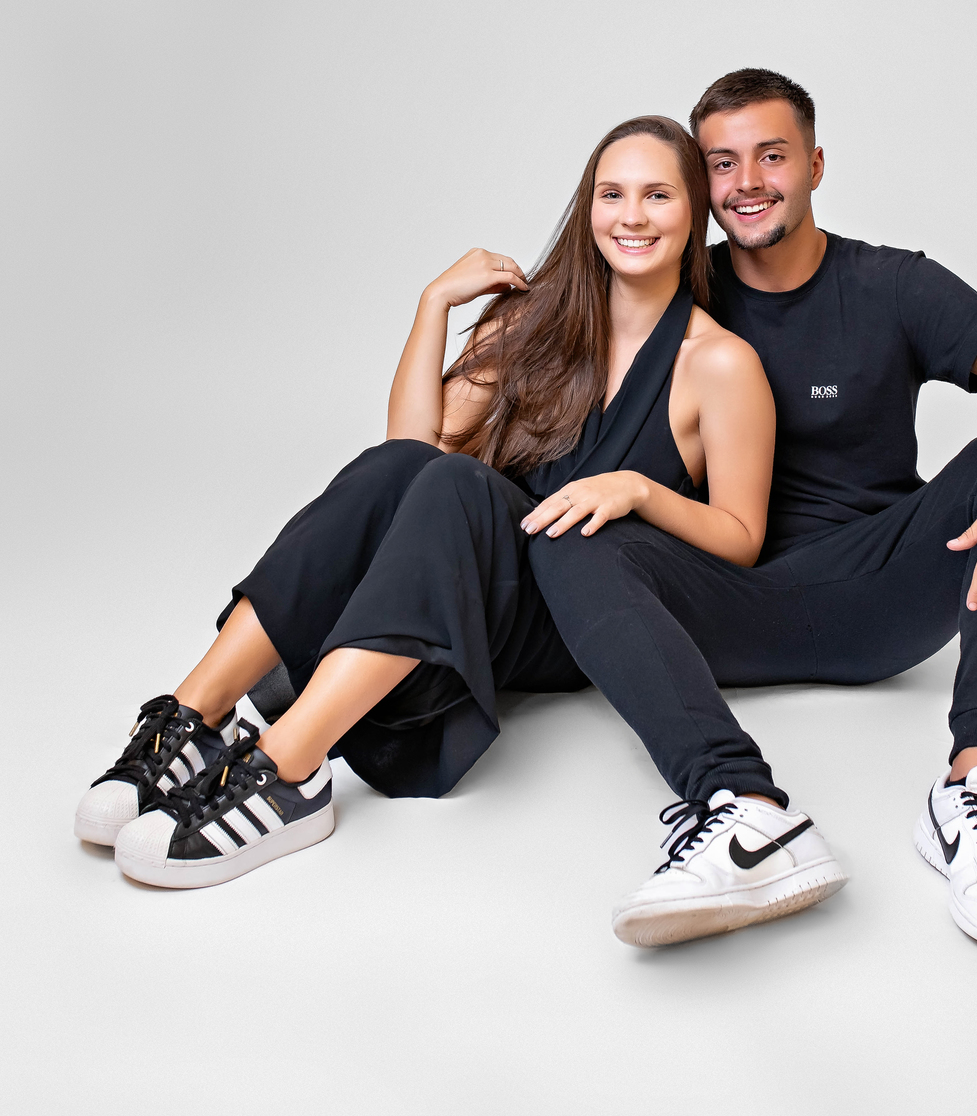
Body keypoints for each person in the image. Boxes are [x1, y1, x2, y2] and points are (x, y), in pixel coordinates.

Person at [75, 115, 848, 939]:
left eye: (658, 196)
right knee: (413, 469)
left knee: (456, 481)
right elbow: (407, 457)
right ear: (587, 208)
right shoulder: (537, 321)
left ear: (694, 212)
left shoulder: (719, 362)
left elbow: (740, 537)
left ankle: (288, 768)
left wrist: (639, 492)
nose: (631, 216)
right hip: (470, 577)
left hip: (570, 607)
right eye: (611, 194)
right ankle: (190, 720)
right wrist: (433, 306)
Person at [527, 68, 977, 957]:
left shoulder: (893, 286)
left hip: (874, 594)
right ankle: (740, 814)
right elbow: (553, 371)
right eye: (721, 164)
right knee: (578, 525)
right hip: (721, 596)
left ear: (815, 165)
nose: (747, 182)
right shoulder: (674, 285)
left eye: (772, 156)